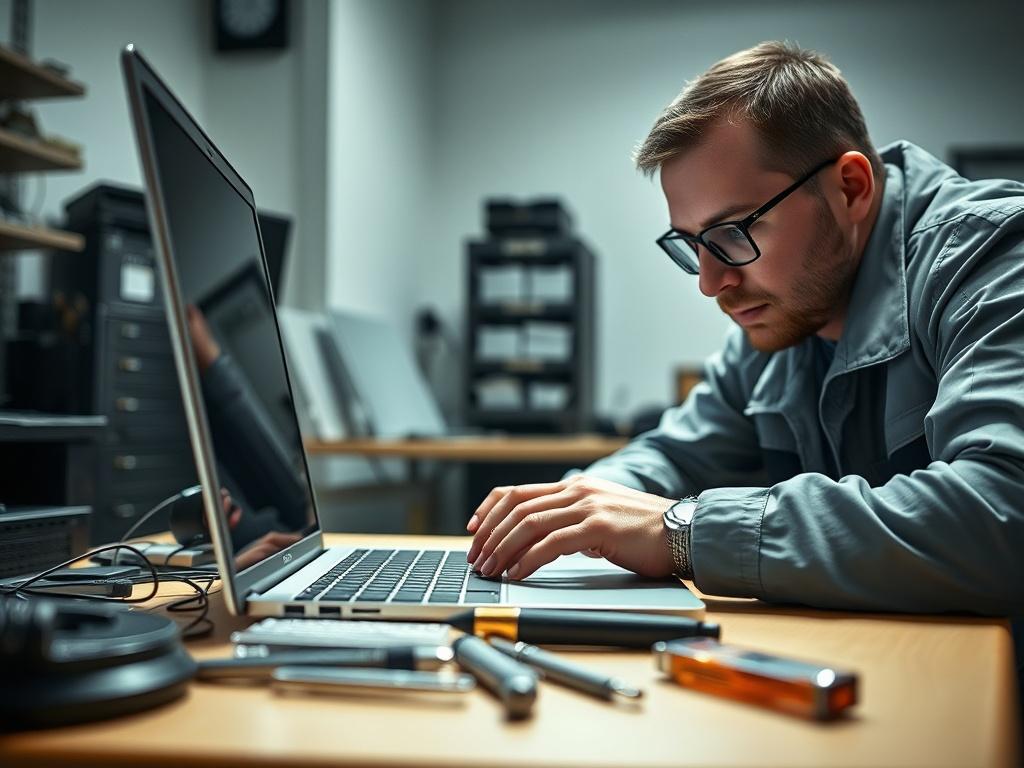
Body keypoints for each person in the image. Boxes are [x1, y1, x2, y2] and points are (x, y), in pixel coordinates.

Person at [466, 41, 1024, 624]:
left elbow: (1002, 512)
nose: (711, 283)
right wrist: (572, 509)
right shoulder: (777, 324)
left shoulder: (992, 258)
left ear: (851, 188)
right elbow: (670, 455)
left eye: (733, 233)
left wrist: (680, 534)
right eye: (692, 245)